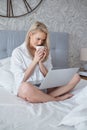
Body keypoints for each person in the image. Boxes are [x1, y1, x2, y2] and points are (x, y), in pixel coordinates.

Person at [10, 21, 80, 103]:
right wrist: (34, 61)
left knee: (76, 77)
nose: (40, 43)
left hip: (44, 87)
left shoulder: (45, 51)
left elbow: (49, 77)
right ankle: (55, 99)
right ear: (30, 34)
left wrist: (40, 62)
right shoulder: (18, 52)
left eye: (43, 40)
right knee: (25, 87)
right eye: (38, 39)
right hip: (29, 88)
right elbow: (21, 80)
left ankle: (43, 96)